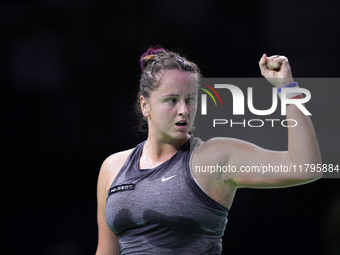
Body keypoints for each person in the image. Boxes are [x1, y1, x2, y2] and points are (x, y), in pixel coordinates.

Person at [95, 46, 322, 255]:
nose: (184, 110)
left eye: (191, 100)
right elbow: (106, 250)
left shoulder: (215, 156)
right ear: (145, 105)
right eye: (172, 100)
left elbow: (305, 167)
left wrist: (287, 87)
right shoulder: (113, 167)